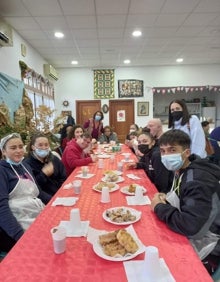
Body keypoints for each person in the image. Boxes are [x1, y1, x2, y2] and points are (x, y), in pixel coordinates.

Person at [151, 129, 220, 275]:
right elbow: (182, 197)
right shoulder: (182, 169)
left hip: (210, 246)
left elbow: (191, 227)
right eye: (163, 151)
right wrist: (166, 198)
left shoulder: (197, 180)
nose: (166, 156)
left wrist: (159, 207)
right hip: (194, 231)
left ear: (186, 152)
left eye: (172, 150)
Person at [0, 133, 45, 253]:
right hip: (15, 226)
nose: (19, 151)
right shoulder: (2, 171)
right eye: (13, 148)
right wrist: (20, 235)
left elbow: (37, 192)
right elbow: (2, 208)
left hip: (35, 213)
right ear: (3, 152)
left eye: (21, 147)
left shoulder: (25, 166)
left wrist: (56, 200)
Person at [24, 133, 67, 197]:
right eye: (40, 145)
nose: (44, 148)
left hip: (61, 192)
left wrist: (62, 191)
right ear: (33, 147)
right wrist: (44, 174)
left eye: (46, 145)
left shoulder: (54, 159)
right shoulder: (27, 164)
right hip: (45, 198)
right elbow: (32, 187)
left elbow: (63, 176)